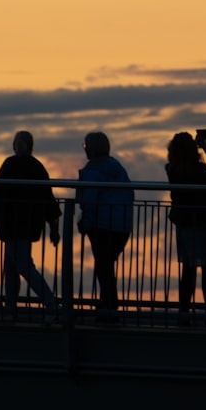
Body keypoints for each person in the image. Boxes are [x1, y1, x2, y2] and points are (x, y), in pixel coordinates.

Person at [0, 131, 61, 318]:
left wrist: (54, 226)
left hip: (16, 224)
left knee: (22, 265)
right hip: (19, 223)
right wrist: (53, 226)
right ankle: (11, 305)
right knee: (11, 267)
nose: (19, 146)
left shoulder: (23, 166)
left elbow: (46, 198)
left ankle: (49, 300)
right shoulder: (32, 166)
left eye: (22, 142)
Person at [165, 131, 206, 326]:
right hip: (204, 222)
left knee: (188, 270)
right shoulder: (199, 170)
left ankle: (184, 313)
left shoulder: (172, 170)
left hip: (185, 224)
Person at [75, 132, 133, 323]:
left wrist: (85, 223)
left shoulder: (92, 171)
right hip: (122, 225)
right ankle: (108, 302)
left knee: (103, 265)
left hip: (102, 224)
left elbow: (89, 201)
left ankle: (109, 305)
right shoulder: (118, 168)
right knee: (106, 264)